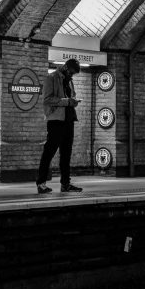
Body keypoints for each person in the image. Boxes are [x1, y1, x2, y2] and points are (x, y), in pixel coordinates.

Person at [35, 58, 84, 194]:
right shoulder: (51, 78)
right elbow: (47, 99)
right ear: (66, 68)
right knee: (49, 151)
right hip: (56, 121)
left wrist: (73, 101)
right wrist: (67, 101)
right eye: (71, 73)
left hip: (69, 120)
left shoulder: (70, 81)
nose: (72, 75)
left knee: (66, 153)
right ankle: (41, 183)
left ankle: (65, 184)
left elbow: (70, 96)